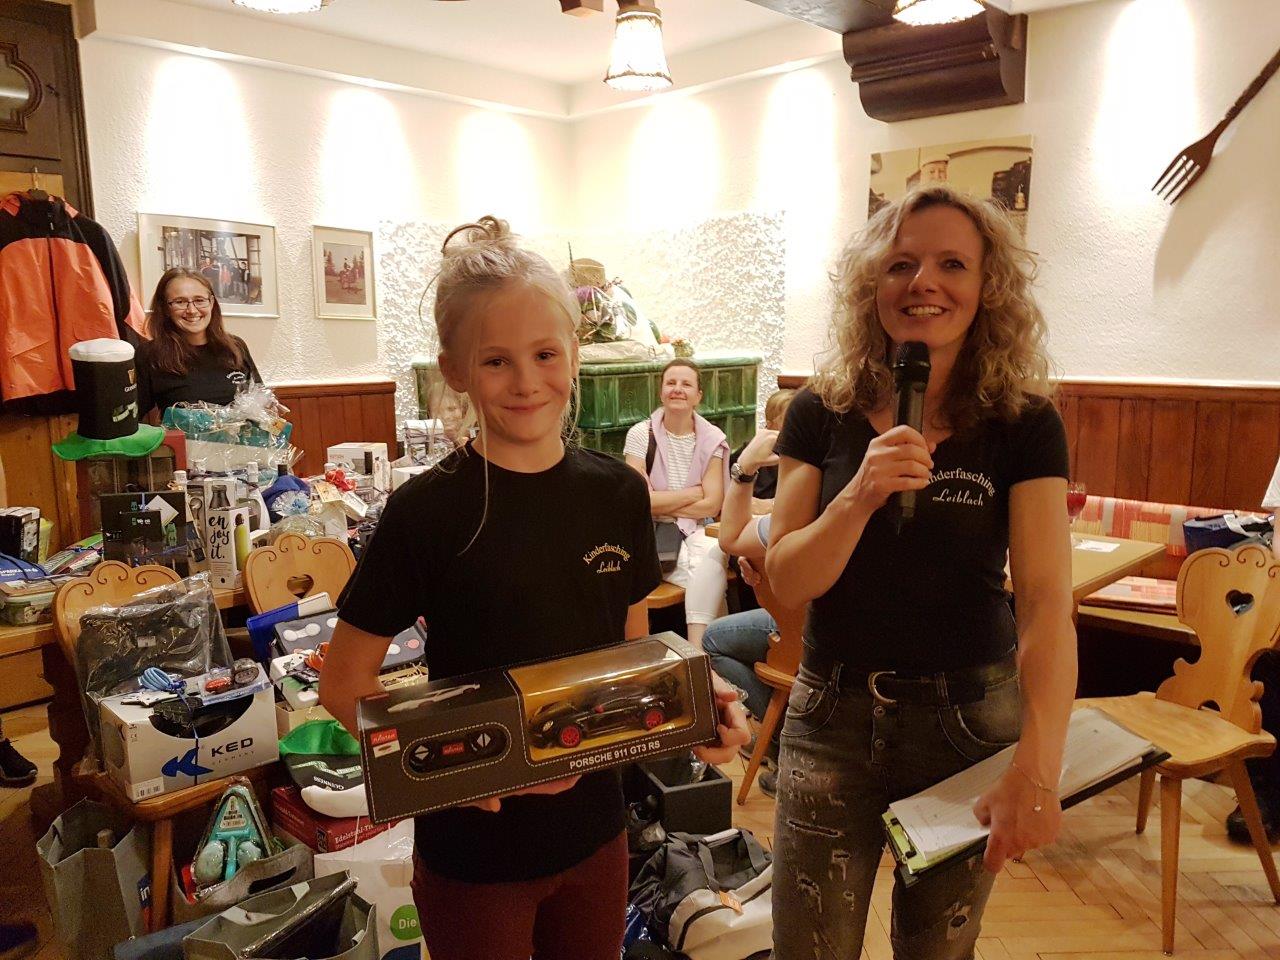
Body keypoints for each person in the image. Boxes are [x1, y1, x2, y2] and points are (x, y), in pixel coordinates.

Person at [318, 217, 749, 960]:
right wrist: (461, 768)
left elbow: (629, 661)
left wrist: (694, 711)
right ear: (455, 370)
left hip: (597, 837)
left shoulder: (618, 495)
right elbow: (343, 685)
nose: (526, 382)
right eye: (496, 361)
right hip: (474, 856)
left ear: (573, 355)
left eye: (545, 354)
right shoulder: (426, 512)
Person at [765, 184, 1076, 959]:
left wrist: (1039, 766)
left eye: (951, 264)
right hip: (831, 719)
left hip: (967, 725)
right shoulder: (821, 410)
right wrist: (860, 497)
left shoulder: (1024, 422)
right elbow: (787, 581)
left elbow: (1045, 604)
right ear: (871, 282)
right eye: (901, 263)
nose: (923, 283)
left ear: (988, 286)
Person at [700, 388, 797, 797]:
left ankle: (784, 738)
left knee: (712, 640)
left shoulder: (795, 509)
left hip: (807, 635)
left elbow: (729, 533)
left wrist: (744, 470)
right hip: (838, 640)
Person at [623, 359, 729, 648]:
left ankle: (697, 653)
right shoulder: (640, 434)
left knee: (712, 552)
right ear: (661, 392)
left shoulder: (712, 439)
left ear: (698, 396)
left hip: (698, 530)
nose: (677, 389)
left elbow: (712, 505)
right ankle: (707, 653)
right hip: (653, 532)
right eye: (671, 383)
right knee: (708, 572)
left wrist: (662, 501)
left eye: (686, 384)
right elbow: (639, 501)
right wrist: (693, 493)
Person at [135, 267, 261, 417]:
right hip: (180, 434)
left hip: (242, 433)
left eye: (199, 300)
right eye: (180, 302)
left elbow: (261, 401)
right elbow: (132, 416)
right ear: (165, 308)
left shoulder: (236, 346)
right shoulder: (149, 354)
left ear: (212, 302)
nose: (192, 310)